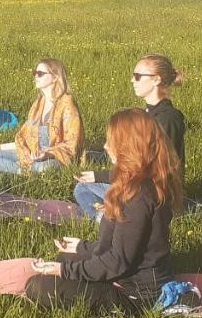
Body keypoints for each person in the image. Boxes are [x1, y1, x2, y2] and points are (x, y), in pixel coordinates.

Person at [24, 108, 183, 313]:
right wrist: (81, 247)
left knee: (38, 286)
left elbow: (117, 261)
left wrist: (63, 271)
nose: (106, 146)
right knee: (63, 258)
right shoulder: (135, 182)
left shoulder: (139, 195)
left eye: (111, 141)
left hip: (138, 295)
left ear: (128, 146)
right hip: (125, 273)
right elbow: (119, 244)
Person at [73, 53, 186, 220]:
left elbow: (149, 168)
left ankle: (108, 220)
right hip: (140, 184)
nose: (132, 81)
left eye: (138, 76)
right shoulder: (148, 114)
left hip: (156, 195)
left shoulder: (167, 119)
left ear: (156, 80)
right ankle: (109, 215)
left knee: (85, 189)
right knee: (82, 188)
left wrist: (102, 176)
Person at [0, 58, 83, 174]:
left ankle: (20, 171)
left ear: (55, 77)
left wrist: (47, 154)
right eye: (35, 73)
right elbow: (26, 139)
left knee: (44, 168)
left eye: (40, 74)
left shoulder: (68, 106)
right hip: (32, 153)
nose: (36, 77)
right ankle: (24, 172)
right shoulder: (38, 105)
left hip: (54, 157)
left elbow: (71, 145)